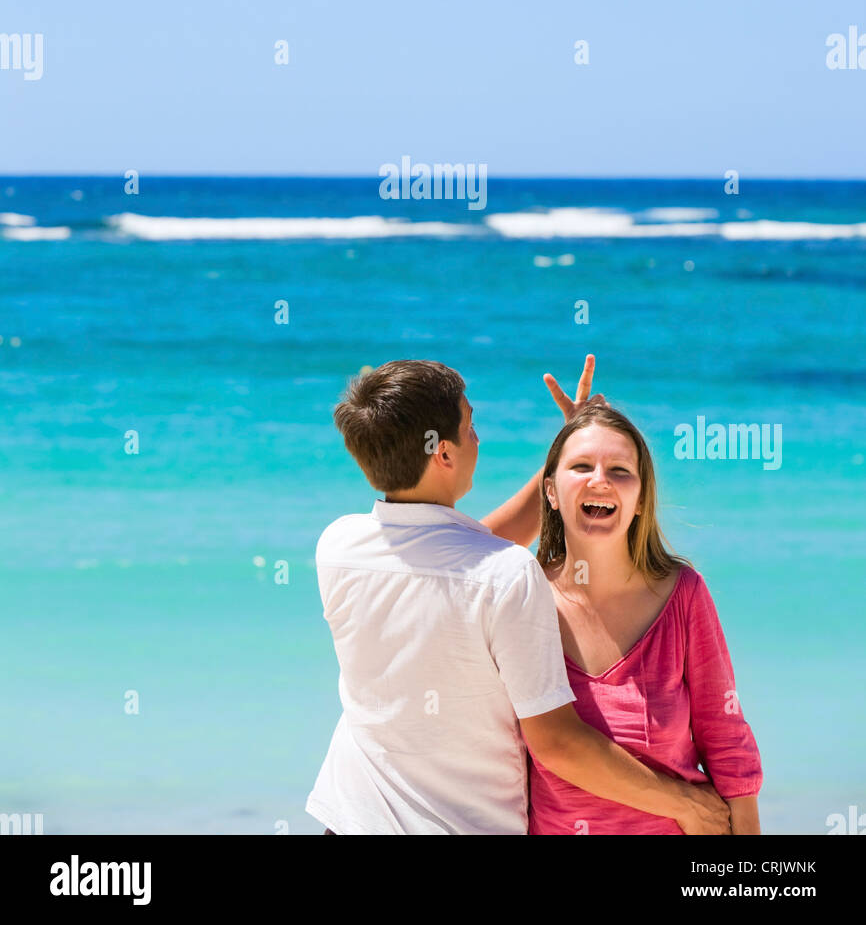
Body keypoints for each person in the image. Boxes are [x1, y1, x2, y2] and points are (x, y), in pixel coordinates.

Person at [305, 356, 731, 835]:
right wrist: (688, 805)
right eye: (470, 426)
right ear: (442, 454)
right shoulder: (505, 575)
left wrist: (570, 451)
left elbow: (454, 558)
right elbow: (558, 744)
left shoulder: (338, 547)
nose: (478, 438)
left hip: (346, 822)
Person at [484, 382, 763, 835]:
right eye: (581, 467)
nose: (600, 480)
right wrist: (573, 433)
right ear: (549, 494)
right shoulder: (521, 594)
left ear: (638, 501)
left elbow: (726, 739)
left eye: (620, 470)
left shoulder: (683, 593)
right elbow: (455, 554)